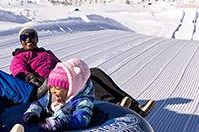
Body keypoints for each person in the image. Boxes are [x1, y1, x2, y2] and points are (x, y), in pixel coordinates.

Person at [10, 26, 156, 118]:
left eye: (31, 36)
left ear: (36, 39)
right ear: (21, 42)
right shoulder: (20, 57)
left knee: (95, 72)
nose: (28, 39)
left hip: (61, 78)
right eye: (24, 37)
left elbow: (61, 65)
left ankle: (135, 106)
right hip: (48, 85)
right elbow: (19, 72)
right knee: (83, 82)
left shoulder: (47, 53)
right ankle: (113, 104)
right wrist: (31, 77)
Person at [23, 58, 95, 132]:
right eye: (51, 87)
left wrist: (60, 123)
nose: (53, 91)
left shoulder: (82, 102)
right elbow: (39, 104)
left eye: (57, 88)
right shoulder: (52, 97)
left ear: (70, 89)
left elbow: (82, 119)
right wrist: (32, 113)